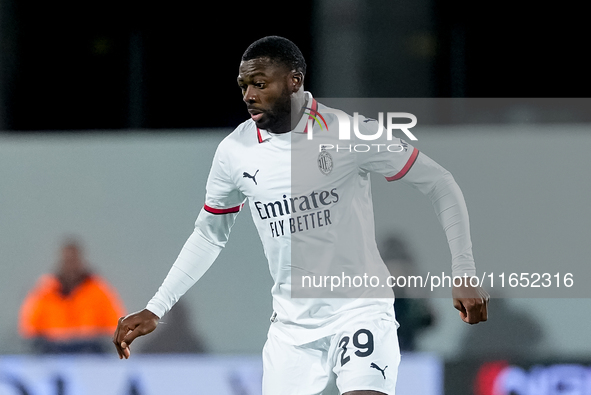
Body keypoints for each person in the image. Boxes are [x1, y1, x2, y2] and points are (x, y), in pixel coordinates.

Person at [113, 36, 488, 395]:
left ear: (295, 81)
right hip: (291, 332)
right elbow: (210, 235)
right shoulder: (235, 152)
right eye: (243, 85)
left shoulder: (347, 132)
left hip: (359, 312)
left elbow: (439, 182)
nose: (248, 95)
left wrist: (465, 271)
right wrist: (156, 307)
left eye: (260, 83)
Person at [19, 238, 125, 354]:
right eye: (67, 261)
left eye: (74, 260)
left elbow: (115, 326)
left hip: (90, 354)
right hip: (51, 353)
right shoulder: (43, 291)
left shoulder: (99, 290)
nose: (71, 266)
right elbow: (29, 328)